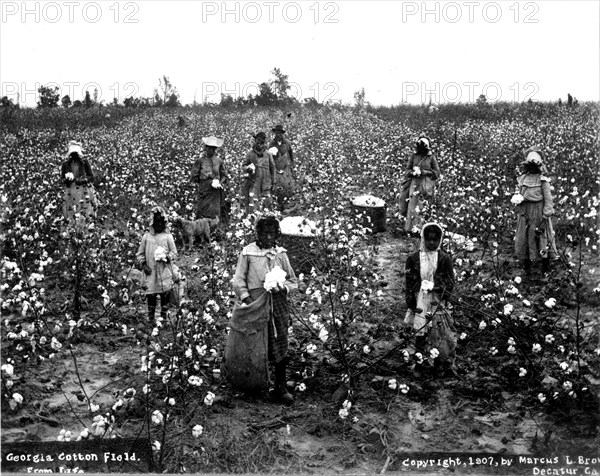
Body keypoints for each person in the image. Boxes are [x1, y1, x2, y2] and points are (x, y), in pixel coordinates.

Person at [231, 216, 298, 404]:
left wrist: (282, 287)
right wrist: (248, 299)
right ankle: (256, 382)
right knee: (256, 342)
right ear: (257, 234)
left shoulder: (281, 254)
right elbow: (238, 280)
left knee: (279, 340)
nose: (268, 238)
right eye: (264, 234)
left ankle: (280, 386)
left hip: (277, 304)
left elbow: (293, 281)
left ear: (277, 235)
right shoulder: (248, 253)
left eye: (272, 234)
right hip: (255, 303)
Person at [404, 222, 456, 376]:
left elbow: (450, 282)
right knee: (420, 331)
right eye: (428, 239)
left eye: (435, 240)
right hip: (420, 300)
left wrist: (436, 287)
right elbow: (409, 282)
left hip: (437, 300)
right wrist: (411, 301)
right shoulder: (413, 259)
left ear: (440, 240)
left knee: (438, 331)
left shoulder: (444, 259)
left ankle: (439, 362)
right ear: (423, 239)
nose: (431, 243)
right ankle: (420, 363)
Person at [513, 147, 558, 275]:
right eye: (530, 166)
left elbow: (549, 202)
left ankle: (545, 266)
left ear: (538, 167)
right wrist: (518, 201)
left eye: (534, 166)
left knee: (542, 240)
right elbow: (519, 194)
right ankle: (527, 267)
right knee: (525, 239)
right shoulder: (522, 179)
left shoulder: (543, 181)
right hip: (525, 213)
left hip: (539, 214)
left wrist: (545, 218)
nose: (532, 168)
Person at [136, 206, 178, 322]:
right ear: (152, 222)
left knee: (164, 295)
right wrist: (144, 265)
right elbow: (140, 254)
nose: (159, 224)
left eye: (161, 222)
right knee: (151, 296)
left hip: (164, 271)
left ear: (165, 223)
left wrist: (167, 258)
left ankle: (163, 319)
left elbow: (174, 253)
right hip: (150, 273)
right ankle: (151, 318)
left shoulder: (168, 237)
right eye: (157, 222)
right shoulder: (146, 237)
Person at [398, 137, 441, 234]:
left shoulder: (431, 157)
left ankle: (422, 229)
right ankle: (410, 229)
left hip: (426, 184)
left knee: (423, 205)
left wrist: (424, 172)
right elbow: (407, 170)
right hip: (414, 183)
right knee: (412, 205)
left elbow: (437, 173)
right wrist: (412, 173)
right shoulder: (414, 156)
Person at [191, 136, 229, 224]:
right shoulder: (200, 161)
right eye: (209, 148)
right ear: (206, 148)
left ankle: (215, 229)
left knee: (215, 212)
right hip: (204, 190)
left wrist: (219, 182)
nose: (211, 150)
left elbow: (224, 176)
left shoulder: (219, 161)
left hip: (215, 191)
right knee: (202, 210)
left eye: (213, 148)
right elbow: (194, 176)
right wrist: (203, 183)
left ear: (215, 149)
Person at [60, 141, 97, 225]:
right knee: (71, 211)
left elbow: (91, 177)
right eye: (72, 154)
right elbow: (61, 179)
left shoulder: (84, 163)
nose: (74, 156)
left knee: (85, 209)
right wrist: (67, 179)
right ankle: (74, 227)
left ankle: (84, 227)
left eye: (76, 153)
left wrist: (82, 180)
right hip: (71, 190)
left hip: (84, 190)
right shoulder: (65, 164)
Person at [242, 132, 275, 216]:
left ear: (264, 143)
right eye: (258, 142)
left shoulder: (268, 154)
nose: (259, 144)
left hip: (266, 182)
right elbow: (244, 166)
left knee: (267, 203)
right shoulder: (250, 154)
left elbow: (272, 168)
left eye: (261, 142)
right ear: (255, 141)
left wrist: (273, 182)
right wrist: (248, 169)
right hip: (254, 182)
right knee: (253, 203)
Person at [269, 125, 296, 211]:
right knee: (277, 185)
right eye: (277, 133)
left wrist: (292, 163)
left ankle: (286, 203)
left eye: (280, 133)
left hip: (285, 167)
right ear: (275, 134)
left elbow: (291, 154)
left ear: (282, 134)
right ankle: (278, 204)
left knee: (287, 185)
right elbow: (269, 157)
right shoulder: (272, 144)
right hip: (276, 167)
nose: (278, 135)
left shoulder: (287, 143)